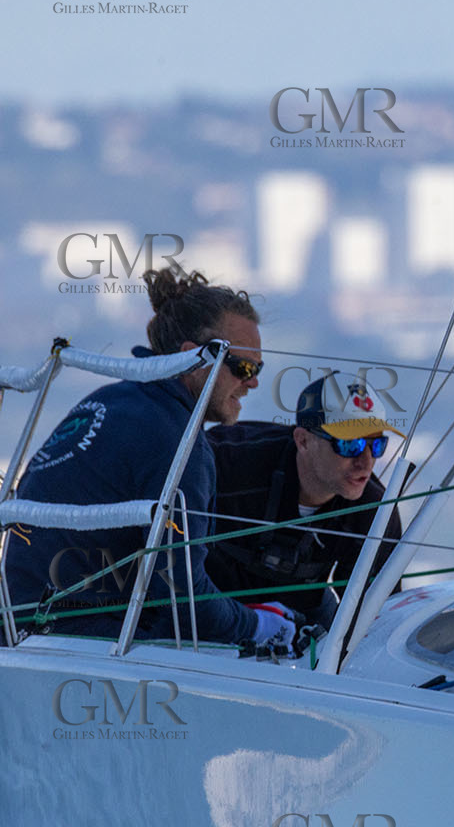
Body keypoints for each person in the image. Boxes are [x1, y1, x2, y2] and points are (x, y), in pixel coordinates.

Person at [1, 267, 300, 651]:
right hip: (83, 641)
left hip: (21, 630)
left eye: (258, 369)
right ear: (193, 358)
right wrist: (260, 626)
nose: (254, 381)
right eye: (243, 367)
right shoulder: (177, 442)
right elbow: (181, 595)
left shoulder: (113, 400)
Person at [205, 373, 406, 628]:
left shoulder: (375, 511)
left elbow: (378, 621)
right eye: (349, 445)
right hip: (205, 605)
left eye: (376, 445)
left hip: (302, 616)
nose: (365, 462)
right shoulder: (226, 463)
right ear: (303, 440)